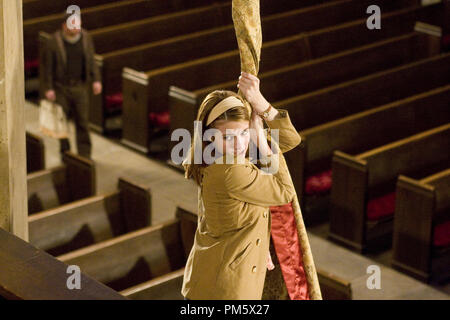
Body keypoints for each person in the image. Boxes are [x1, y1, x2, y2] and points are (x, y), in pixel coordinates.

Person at [181, 72, 302, 299]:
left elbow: (290, 140)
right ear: (209, 136)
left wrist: (261, 104)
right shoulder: (230, 170)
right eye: (228, 137)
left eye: (244, 133)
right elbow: (285, 192)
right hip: (225, 289)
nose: (240, 144)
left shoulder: (216, 155)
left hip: (215, 274)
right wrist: (261, 143)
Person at [41, 12, 102, 159]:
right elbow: (47, 68)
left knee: (83, 121)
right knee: (62, 123)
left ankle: (85, 156)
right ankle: (65, 153)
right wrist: (48, 88)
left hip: (80, 86)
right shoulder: (53, 42)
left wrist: (96, 80)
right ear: (64, 26)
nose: (77, 28)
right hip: (61, 88)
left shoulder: (86, 38)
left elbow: (92, 60)